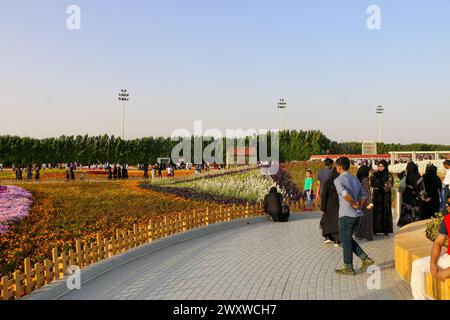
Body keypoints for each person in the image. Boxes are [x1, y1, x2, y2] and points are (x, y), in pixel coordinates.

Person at [333, 157, 374, 275]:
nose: (336, 167)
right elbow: (363, 195)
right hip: (357, 215)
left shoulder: (338, 180)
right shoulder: (355, 178)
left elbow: (345, 194)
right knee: (347, 239)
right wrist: (359, 206)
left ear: (340, 167)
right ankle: (365, 259)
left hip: (346, 214)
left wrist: (354, 203)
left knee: (344, 240)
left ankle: (348, 267)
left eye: (336, 165)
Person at [411, 195, 450, 299]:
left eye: (449, 205)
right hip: (448, 258)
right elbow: (438, 242)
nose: (447, 207)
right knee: (417, 265)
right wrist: (433, 263)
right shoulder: (447, 219)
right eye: (447, 204)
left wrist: (448, 271)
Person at [397, 162, 428, 227]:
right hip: (415, 196)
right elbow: (421, 188)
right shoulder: (418, 176)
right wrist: (424, 197)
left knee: (406, 209)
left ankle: (405, 223)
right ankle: (414, 222)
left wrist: (406, 171)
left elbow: (398, 175)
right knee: (415, 209)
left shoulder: (405, 174)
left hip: (406, 195)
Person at [371, 160, 394, 235]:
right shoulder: (374, 174)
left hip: (385, 196)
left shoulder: (389, 175)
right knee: (377, 212)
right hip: (377, 196)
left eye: (382, 166)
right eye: (379, 166)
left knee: (385, 211)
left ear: (385, 166)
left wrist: (380, 187)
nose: (380, 168)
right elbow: (371, 184)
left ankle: (385, 230)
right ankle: (376, 229)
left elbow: (389, 185)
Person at [320, 167, 340, 246]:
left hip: (328, 205)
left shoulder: (328, 182)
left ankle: (327, 237)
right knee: (336, 221)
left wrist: (323, 207)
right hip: (338, 204)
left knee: (328, 220)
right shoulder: (340, 181)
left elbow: (324, 195)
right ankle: (336, 240)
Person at [354, 165, 374, 241]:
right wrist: (370, 202)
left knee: (359, 218)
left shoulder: (356, 179)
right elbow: (367, 192)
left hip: (358, 201)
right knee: (367, 218)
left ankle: (359, 234)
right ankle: (367, 235)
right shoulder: (365, 180)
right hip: (365, 201)